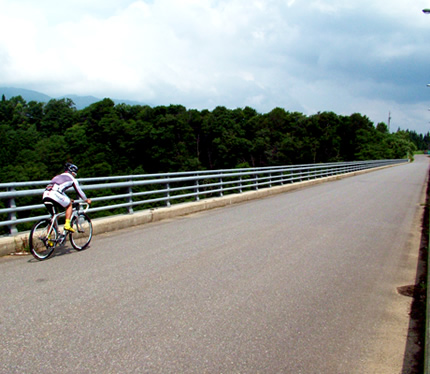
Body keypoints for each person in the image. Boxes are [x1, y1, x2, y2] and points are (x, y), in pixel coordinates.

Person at [43, 162, 92, 232]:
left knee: (55, 216)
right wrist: (86, 200)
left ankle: (48, 238)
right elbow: (79, 192)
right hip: (55, 194)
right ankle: (67, 225)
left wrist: (68, 199)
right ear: (73, 173)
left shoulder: (57, 176)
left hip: (45, 194)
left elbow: (58, 189)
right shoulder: (72, 179)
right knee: (69, 205)